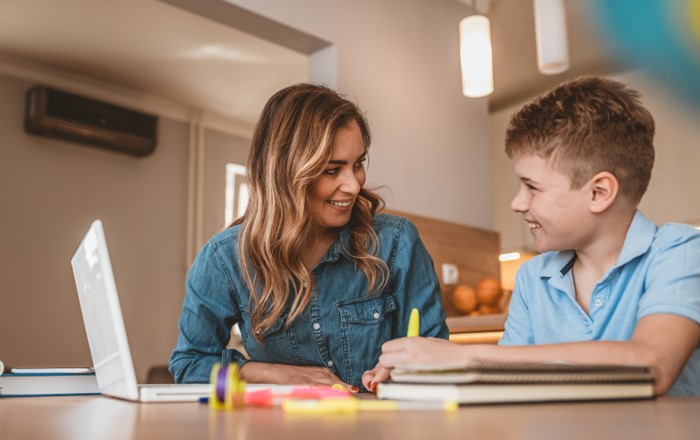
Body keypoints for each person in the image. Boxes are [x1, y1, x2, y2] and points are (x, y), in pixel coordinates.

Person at [365, 76, 700, 396]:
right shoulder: (533, 276)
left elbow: (653, 365)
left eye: (532, 187)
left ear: (599, 192)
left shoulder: (680, 251)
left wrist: (465, 355)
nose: (516, 202)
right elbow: (506, 380)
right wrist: (422, 371)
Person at [169, 83, 449, 391]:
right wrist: (272, 373)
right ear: (285, 174)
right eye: (332, 170)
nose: (353, 186)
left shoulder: (396, 242)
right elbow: (190, 363)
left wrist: (403, 373)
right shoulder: (225, 258)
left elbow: (437, 359)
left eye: (357, 164)